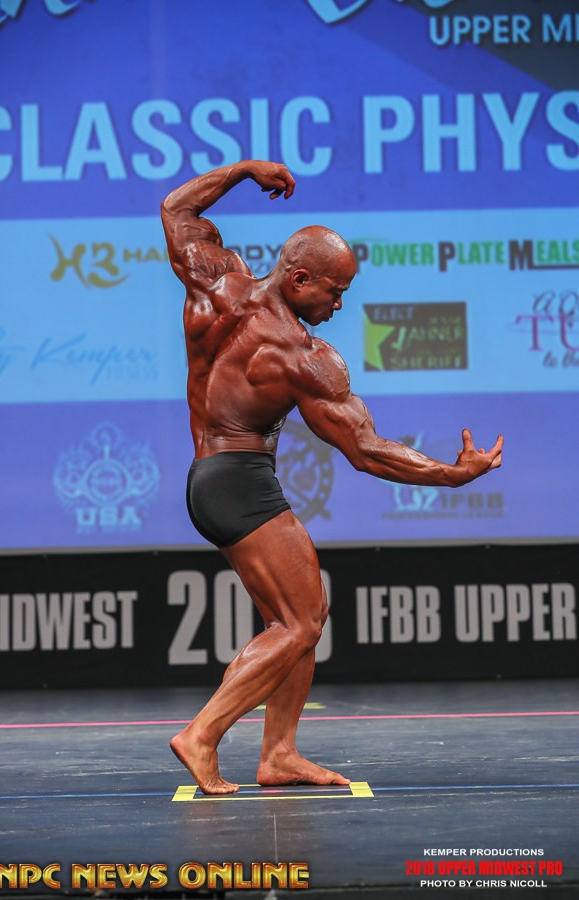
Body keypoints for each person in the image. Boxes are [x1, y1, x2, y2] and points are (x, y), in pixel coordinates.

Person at [161, 160, 503, 795]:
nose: (339, 305)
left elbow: (177, 209)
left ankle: (279, 753)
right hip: (240, 483)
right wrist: (453, 475)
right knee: (299, 622)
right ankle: (202, 735)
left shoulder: (216, 283)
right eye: (333, 291)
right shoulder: (302, 356)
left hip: (211, 476)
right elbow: (367, 450)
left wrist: (244, 171)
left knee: (301, 613)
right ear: (298, 278)